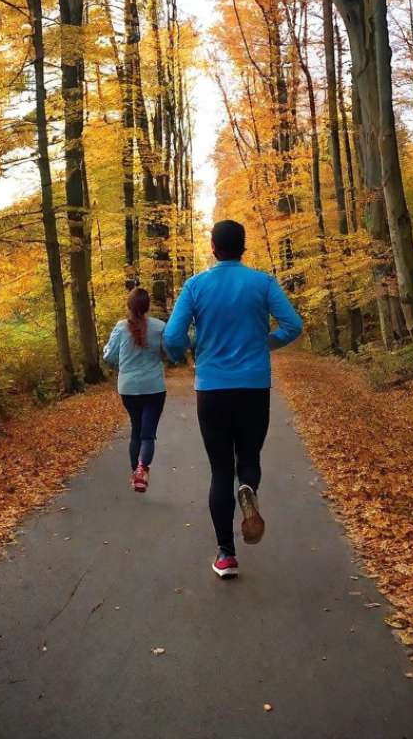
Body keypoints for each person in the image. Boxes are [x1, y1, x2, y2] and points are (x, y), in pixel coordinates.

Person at [163, 220, 302, 579]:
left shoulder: (195, 286)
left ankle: (226, 554)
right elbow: (293, 326)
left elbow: (174, 336)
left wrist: (188, 352)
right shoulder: (263, 282)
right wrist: (263, 344)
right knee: (249, 457)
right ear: (243, 247)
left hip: (212, 389)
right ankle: (249, 489)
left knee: (220, 469)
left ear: (213, 247)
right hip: (254, 386)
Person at [103, 286, 167, 493]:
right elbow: (168, 352)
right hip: (154, 387)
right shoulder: (159, 327)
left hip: (128, 388)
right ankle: (142, 469)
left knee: (136, 431)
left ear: (129, 306)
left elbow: (109, 357)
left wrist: (123, 364)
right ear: (147, 306)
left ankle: (135, 473)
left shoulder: (120, 328)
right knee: (148, 434)